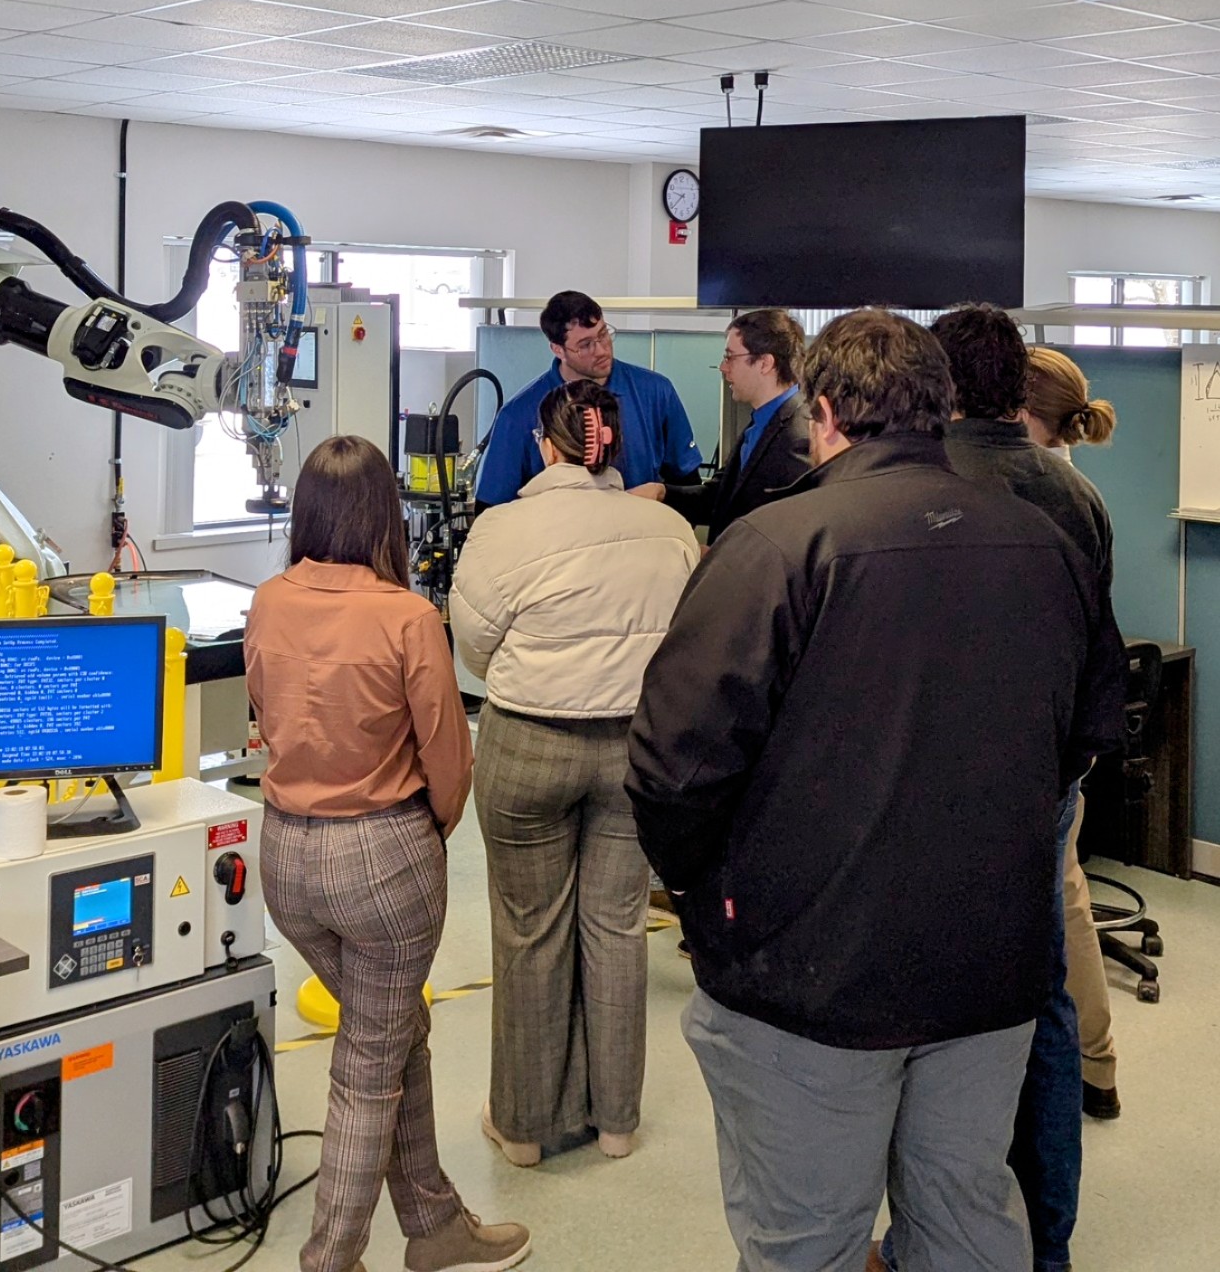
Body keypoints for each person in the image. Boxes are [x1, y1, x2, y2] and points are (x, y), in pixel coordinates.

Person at [626, 309, 1126, 1272]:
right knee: (967, 1222)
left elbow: (672, 768)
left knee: (807, 1239)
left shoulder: (777, 546)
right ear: (942, 408)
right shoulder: (1047, 542)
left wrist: (707, 901)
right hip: (990, 970)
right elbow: (1091, 732)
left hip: (815, 979)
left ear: (824, 414)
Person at [874, 307, 1123, 1272]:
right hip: (1044, 776)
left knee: (931, 1007)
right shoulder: (1077, 500)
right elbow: (1092, 656)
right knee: (1044, 995)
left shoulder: (924, 486)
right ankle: (1045, 1239)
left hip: (936, 783)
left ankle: (926, 1237)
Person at [244, 435, 530, 1272]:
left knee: (398, 1028)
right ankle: (330, 1258)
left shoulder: (266, 601)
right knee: (371, 1061)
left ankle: (435, 1223)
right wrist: (420, 838)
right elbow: (450, 760)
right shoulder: (406, 616)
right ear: (385, 517)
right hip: (383, 856)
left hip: (286, 864)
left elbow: (264, 715)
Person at [451, 379, 699, 1167]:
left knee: (531, 933)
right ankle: (617, 1121)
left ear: (543, 445)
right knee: (618, 926)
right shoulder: (669, 531)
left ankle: (524, 1130)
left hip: (529, 743)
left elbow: (475, 650)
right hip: (636, 750)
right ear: (618, 449)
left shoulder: (502, 530)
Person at [1025, 344, 1122, 1121]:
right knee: (1069, 889)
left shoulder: (1034, 491)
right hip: (1070, 736)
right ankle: (1097, 1062)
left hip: (1035, 738)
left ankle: (1078, 1063)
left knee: (1057, 902)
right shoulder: (1083, 493)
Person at [474, 289, 702, 508]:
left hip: (638, 538)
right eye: (585, 345)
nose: (601, 350)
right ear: (558, 349)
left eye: (603, 334)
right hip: (557, 542)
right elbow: (490, 508)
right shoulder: (518, 415)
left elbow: (686, 482)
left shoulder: (655, 392)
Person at [631, 308, 814, 544]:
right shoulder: (760, 424)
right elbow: (720, 498)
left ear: (765, 363)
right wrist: (662, 493)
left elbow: (787, 534)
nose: (722, 367)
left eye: (730, 357)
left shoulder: (799, 437)